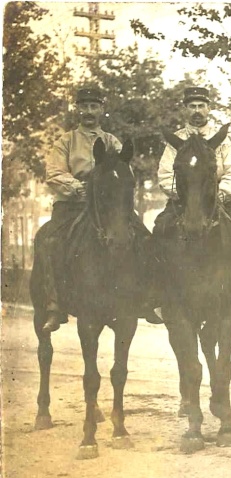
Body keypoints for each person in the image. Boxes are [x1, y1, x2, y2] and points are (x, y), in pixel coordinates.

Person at [40, 86, 162, 332]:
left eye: (93, 106)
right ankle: (55, 304)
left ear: (101, 110)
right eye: (84, 106)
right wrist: (76, 187)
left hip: (105, 204)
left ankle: (147, 298)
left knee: (144, 236)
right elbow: (53, 172)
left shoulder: (111, 141)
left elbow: (121, 167)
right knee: (49, 241)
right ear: (77, 109)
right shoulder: (66, 141)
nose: (88, 112)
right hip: (73, 204)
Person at [155, 86, 231, 315]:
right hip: (184, 200)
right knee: (160, 228)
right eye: (192, 106)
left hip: (218, 199)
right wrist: (181, 193)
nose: (197, 111)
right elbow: (164, 174)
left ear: (209, 108)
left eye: (201, 106)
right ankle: (158, 291)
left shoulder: (221, 140)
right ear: (185, 110)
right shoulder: (177, 140)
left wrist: (221, 193)